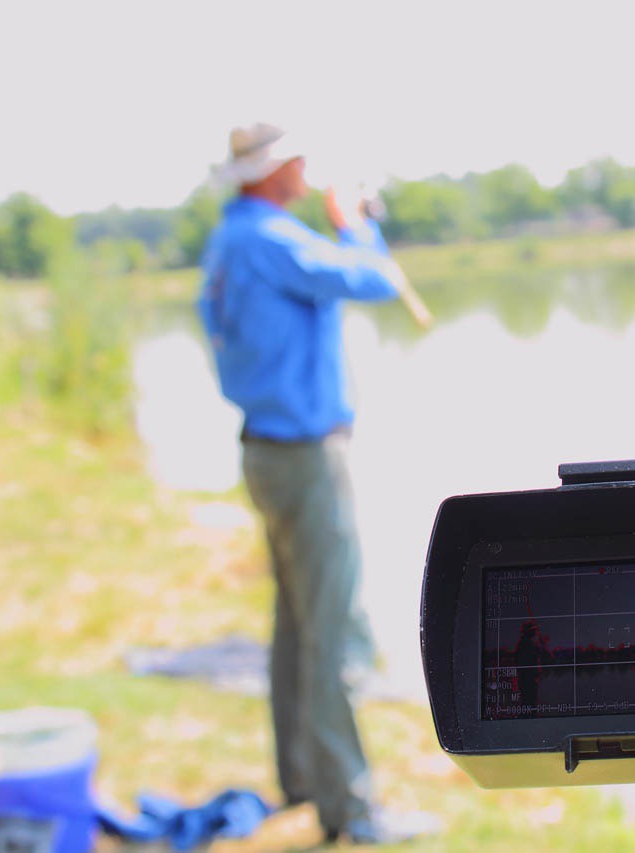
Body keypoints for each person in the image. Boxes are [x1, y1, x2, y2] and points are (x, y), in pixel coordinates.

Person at [196, 123, 438, 846]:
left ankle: (301, 777)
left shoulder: (230, 240)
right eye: (296, 157)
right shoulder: (270, 239)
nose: (306, 165)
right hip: (304, 457)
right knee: (330, 631)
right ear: (271, 172)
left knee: (297, 623)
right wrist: (354, 224)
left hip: (267, 451)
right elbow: (367, 278)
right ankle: (351, 811)